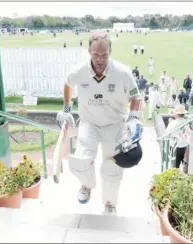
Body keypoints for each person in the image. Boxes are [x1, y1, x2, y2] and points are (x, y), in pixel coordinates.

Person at [57, 31, 144, 214]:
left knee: (112, 167)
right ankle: (87, 186)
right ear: (89, 52)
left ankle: (109, 202)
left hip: (115, 124)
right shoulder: (79, 71)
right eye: (96, 55)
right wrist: (66, 109)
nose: (100, 59)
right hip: (89, 122)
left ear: (110, 52)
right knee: (80, 160)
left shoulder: (122, 72)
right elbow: (68, 83)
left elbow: (136, 95)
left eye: (104, 55)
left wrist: (134, 117)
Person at [166, 104, 189, 171]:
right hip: (186, 146)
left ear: (176, 114)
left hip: (175, 147)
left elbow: (166, 135)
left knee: (174, 167)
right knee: (186, 166)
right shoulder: (187, 121)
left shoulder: (172, 124)